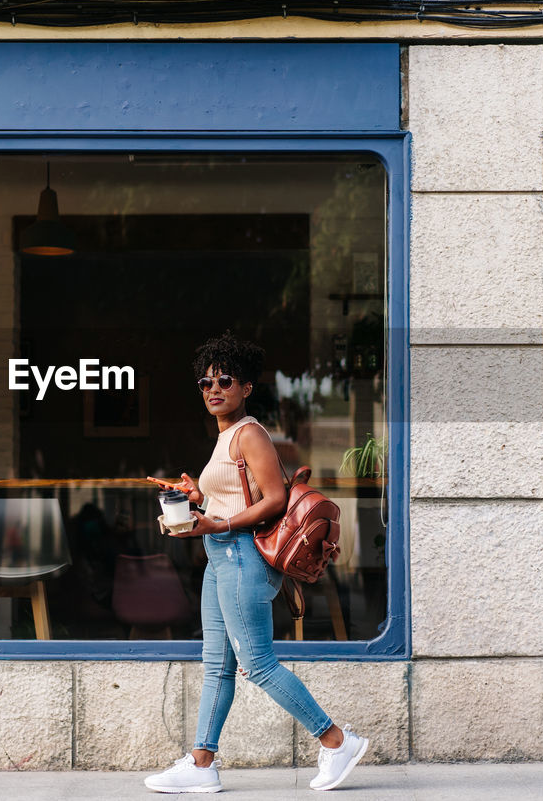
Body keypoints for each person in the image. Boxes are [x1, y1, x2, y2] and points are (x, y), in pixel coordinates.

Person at [144, 332, 368, 794]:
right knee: (217, 665)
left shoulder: (249, 433)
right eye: (205, 383)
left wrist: (218, 526)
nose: (213, 389)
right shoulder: (226, 436)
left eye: (225, 380)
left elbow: (275, 499)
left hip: (241, 556)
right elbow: (234, 497)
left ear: (246, 387)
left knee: (258, 663)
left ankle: (336, 741)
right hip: (220, 558)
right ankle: (201, 763)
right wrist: (198, 498)